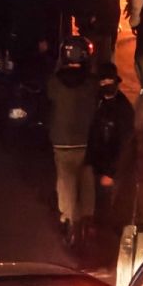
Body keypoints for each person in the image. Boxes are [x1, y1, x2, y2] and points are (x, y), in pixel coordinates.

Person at [46, 37, 100, 243]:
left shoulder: (55, 82)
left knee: (65, 179)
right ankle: (87, 217)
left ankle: (68, 217)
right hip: (86, 138)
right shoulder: (91, 83)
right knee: (87, 177)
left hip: (61, 139)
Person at [87, 63, 135, 235]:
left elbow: (124, 145)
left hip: (113, 167)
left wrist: (110, 172)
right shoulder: (98, 102)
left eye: (109, 81)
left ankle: (107, 238)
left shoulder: (123, 109)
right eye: (103, 82)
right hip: (100, 163)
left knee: (109, 204)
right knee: (101, 201)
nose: (106, 85)